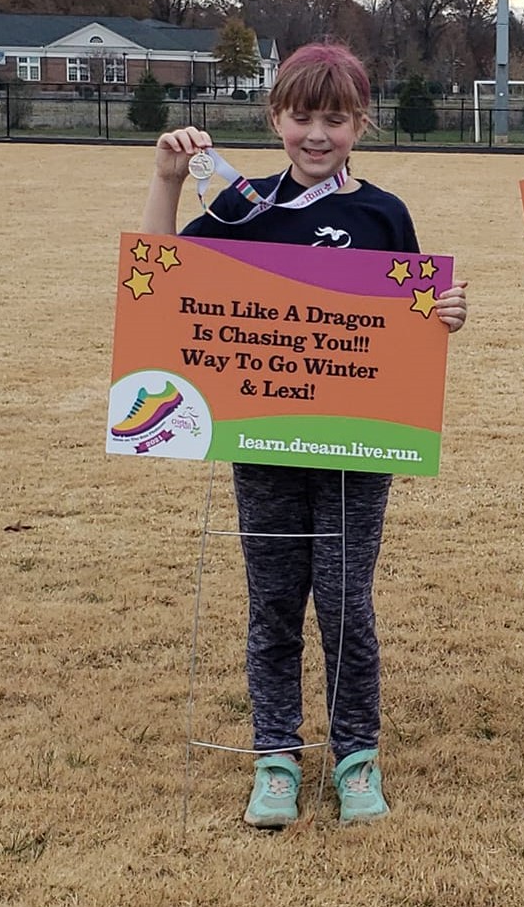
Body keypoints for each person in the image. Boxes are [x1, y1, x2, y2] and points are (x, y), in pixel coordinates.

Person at [140, 42, 468, 830]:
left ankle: (355, 755)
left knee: (347, 603)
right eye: (300, 116)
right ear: (275, 118)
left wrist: (443, 318)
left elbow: (406, 334)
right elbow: (158, 272)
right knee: (275, 603)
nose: (316, 134)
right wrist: (165, 179)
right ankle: (276, 757)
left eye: (335, 118)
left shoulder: (383, 213)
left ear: (361, 124)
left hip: (358, 446)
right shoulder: (242, 204)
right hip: (265, 444)